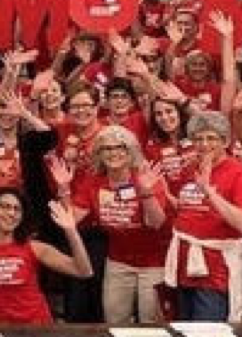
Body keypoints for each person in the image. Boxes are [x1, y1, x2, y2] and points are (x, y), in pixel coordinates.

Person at [66, 125, 172, 325]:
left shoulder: (145, 178)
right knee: (114, 320)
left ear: (130, 151)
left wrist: (146, 192)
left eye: (120, 147)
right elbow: (69, 219)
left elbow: (157, 223)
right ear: (98, 154)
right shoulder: (94, 182)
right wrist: (64, 188)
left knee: (151, 324)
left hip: (154, 262)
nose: (113, 153)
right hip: (118, 261)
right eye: (106, 148)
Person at [162, 111, 242, 321]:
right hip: (184, 268)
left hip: (216, 272)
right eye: (198, 138)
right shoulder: (189, 169)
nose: (204, 144)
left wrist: (210, 193)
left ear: (225, 141)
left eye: (211, 138)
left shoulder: (240, 172)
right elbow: (188, 208)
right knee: (184, 334)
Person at [0, 192, 92, 324]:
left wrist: (71, 230)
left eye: (17, 209)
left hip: (36, 328)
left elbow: (84, 271)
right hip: (1, 329)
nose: (11, 213)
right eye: (5, 206)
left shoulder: (33, 248)